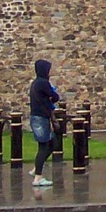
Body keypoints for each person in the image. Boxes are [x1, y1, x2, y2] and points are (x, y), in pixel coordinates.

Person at [29, 58, 60, 187]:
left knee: (52, 143)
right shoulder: (43, 83)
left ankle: (37, 168)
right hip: (41, 118)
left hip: (39, 117)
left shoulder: (36, 83)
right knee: (44, 147)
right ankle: (38, 177)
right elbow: (55, 96)